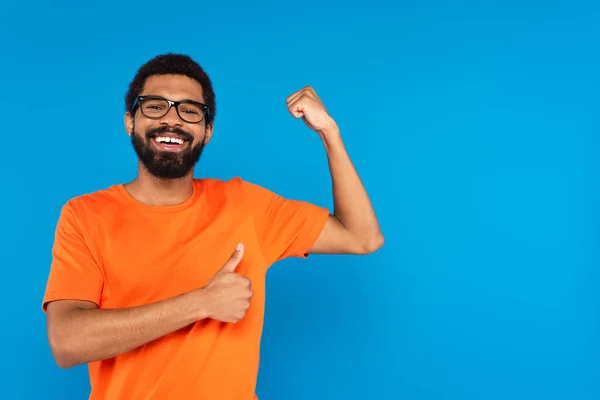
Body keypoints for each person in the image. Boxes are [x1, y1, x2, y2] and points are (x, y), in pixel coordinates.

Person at [42, 53, 383, 400]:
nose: (172, 121)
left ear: (207, 131)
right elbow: (66, 342)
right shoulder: (85, 215)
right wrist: (201, 304)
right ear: (130, 121)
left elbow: (363, 237)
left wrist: (329, 132)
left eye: (189, 111)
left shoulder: (247, 206)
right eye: (156, 106)